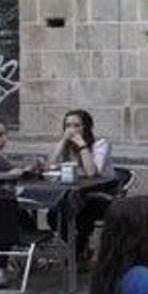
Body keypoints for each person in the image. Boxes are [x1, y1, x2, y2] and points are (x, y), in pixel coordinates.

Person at [50, 108, 116, 266]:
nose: (72, 130)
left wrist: (82, 146)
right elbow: (51, 167)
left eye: (76, 125)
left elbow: (92, 172)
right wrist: (62, 142)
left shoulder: (100, 144)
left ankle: (79, 249)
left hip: (101, 194)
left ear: (86, 127)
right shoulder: (66, 147)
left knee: (83, 213)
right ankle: (80, 247)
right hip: (75, 193)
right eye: (67, 126)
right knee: (53, 215)